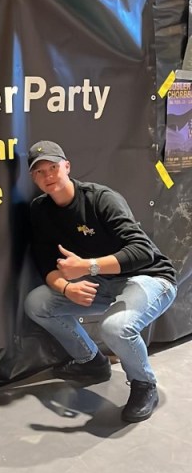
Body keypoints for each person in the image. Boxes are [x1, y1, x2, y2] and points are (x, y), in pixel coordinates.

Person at [24, 140, 177, 422]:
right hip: (103, 285)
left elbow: (142, 251)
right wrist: (67, 287)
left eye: (53, 167)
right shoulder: (40, 209)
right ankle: (91, 362)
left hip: (149, 278)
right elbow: (45, 262)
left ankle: (144, 384)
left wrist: (88, 267)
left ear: (67, 167)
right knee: (37, 303)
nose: (48, 176)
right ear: (33, 177)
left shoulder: (100, 198)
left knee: (115, 328)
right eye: (40, 171)